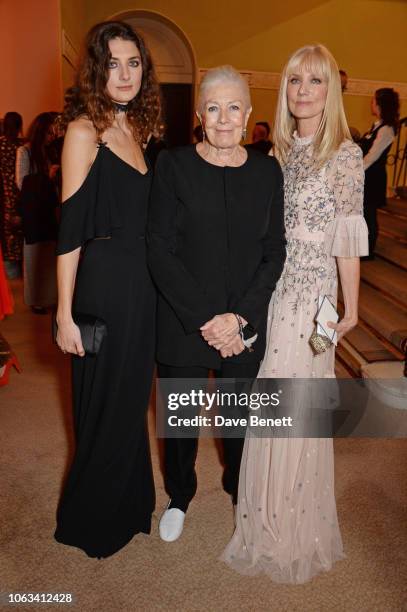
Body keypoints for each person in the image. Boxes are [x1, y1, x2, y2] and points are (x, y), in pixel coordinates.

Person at [222, 44, 368, 583]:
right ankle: (264, 517)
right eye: (294, 81)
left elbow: (347, 236)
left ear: (331, 90)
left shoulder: (345, 155)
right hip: (277, 290)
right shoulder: (281, 150)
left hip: (317, 297)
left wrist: (349, 309)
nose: (303, 91)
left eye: (315, 81)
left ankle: (294, 524)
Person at [147, 65, 286, 542]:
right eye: (213, 108)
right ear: (200, 115)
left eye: (233, 108)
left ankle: (238, 489)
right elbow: (158, 247)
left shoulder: (268, 171)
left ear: (248, 114)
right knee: (180, 420)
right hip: (186, 323)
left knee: (238, 419)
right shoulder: (174, 164)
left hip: (243, 324)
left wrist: (239, 317)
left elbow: (274, 251)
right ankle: (179, 495)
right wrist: (208, 320)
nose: (223, 119)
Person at [54, 21, 161, 558]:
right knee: (105, 402)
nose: (124, 74)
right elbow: (70, 231)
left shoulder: (139, 132)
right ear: (98, 70)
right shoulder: (83, 132)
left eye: (133, 63)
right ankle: (92, 517)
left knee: (132, 401)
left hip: (143, 288)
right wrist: (64, 313)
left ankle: (129, 502)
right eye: (113, 64)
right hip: (104, 285)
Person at [16, 112, 59, 313]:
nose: (52, 135)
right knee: (34, 256)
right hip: (34, 211)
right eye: (49, 132)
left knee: (50, 256)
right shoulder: (24, 151)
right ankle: (36, 300)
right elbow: (21, 182)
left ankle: (49, 297)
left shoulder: (52, 151)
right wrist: (46, 177)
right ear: (41, 130)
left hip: (50, 209)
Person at [359, 88, 399, 259]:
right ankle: (363, 247)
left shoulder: (386, 130)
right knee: (364, 213)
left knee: (368, 214)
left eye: (373, 100)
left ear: (380, 104)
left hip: (373, 178)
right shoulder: (378, 126)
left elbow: (372, 157)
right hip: (367, 176)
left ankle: (368, 251)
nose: (371, 103)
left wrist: (355, 172)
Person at [0, 112, 24, 279]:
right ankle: (18, 270)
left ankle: (11, 270)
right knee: (19, 228)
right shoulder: (21, 145)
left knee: (8, 230)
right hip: (19, 190)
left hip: (4, 190)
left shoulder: (1, 144)